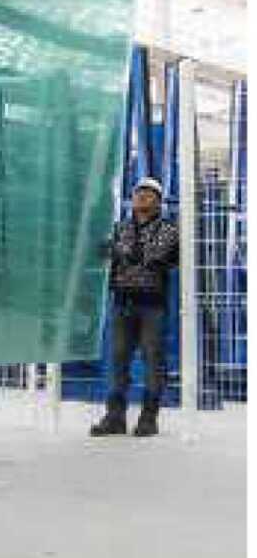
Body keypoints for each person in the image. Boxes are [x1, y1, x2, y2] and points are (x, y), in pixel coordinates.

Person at [90, 176, 179, 439]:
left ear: (159, 201)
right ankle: (115, 417)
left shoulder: (169, 229)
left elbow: (154, 256)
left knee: (153, 360)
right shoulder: (121, 227)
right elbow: (104, 251)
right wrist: (121, 252)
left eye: (149, 193)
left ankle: (148, 418)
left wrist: (122, 252)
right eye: (139, 192)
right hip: (122, 302)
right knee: (118, 360)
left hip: (152, 305)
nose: (142, 196)